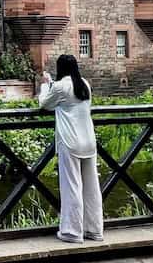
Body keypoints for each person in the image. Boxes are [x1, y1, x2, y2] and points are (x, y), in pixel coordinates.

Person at [38, 54, 104, 243]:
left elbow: (44, 104)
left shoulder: (60, 86)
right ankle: (94, 229)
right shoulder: (84, 84)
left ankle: (72, 231)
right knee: (92, 188)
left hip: (70, 141)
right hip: (88, 139)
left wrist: (45, 85)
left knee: (72, 187)